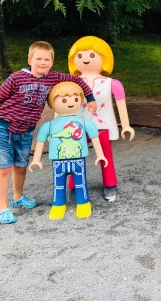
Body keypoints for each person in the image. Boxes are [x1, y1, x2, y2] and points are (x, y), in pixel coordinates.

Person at [0, 41, 97, 225]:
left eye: (47, 59)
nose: (43, 62)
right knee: (4, 168)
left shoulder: (52, 77)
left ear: (52, 62)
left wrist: (90, 97)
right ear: (30, 60)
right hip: (3, 128)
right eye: (39, 59)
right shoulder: (16, 78)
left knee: (20, 167)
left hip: (25, 132)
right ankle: (3, 208)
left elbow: (78, 80)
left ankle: (18, 197)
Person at [67, 36, 135, 202]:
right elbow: (61, 104)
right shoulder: (71, 83)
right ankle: (74, 185)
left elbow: (121, 105)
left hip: (103, 126)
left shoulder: (112, 83)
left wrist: (126, 125)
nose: (86, 59)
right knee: (75, 156)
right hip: (78, 126)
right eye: (80, 55)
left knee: (106, 155)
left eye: (92, 55)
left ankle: (110, 184)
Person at [28, 82, 107, 220]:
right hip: (58, 161)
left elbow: (95, 138)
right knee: (58, 184)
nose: (70, 103)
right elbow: (40, 141)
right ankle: (58, 205)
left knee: (81, 183)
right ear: (52, 103)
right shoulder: (49, 125)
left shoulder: (84, 123)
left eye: (75, 99)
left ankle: (83, 203)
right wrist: (36, 159)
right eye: (64, 100)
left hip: (78, 159)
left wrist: (100, 155)